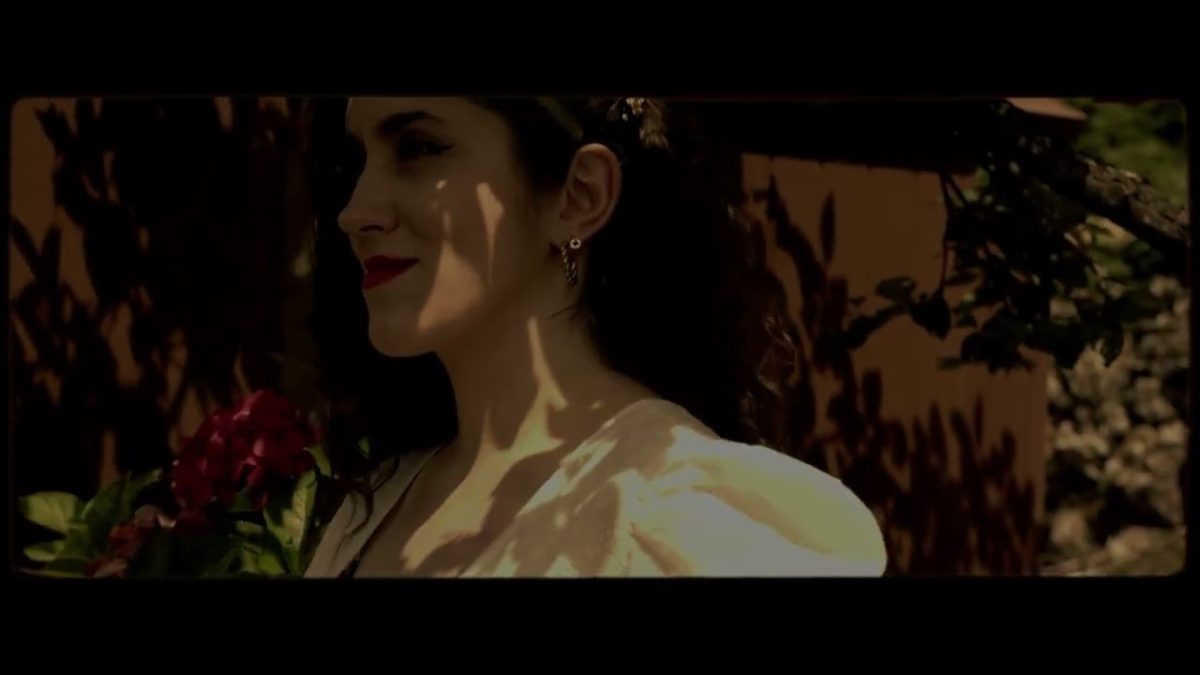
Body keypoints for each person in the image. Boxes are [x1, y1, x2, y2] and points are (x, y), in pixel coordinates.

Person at [302, 96, 886, 577]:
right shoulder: (377, 503)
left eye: (419, 148)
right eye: (360, 160)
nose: (356, 212)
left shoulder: (676, 515)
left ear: (579, 197)